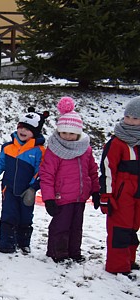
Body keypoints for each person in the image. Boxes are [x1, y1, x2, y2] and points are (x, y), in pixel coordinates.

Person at [37, 97, 99, 264]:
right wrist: (48, 198)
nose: (67, 136)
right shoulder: (55, 149)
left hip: (80, 197)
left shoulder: (85, 149)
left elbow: (92, 170)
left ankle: (74, 251)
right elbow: (47, 175)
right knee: (60, 227)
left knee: (76, 227)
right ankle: (58, 252)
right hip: (61, 197)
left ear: (78, 133)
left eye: (71, 133)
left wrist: (96, 190)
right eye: (64, 132)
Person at [0, 107, 49, 254]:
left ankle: (23, 242)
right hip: (9, 189)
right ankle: (6, 244)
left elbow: (40, 171)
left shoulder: (39, 151)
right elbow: (0, 163)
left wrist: (33, 188)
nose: (23, 131)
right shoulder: (8, 147)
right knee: (8, 214)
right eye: (21, 127)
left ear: (35, 132)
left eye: (28, 129)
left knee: (25, 217)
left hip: (26, 191)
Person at [98, 95, 140, 277]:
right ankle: (117, 266)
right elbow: (107, 170)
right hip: (121, 195)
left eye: (135, 118)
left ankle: (129, 260)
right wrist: (106, 196)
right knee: (119, 229)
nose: (130, 121)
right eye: (127, 117)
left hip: (137, 195)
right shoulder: (117, 142)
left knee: (132, 228)